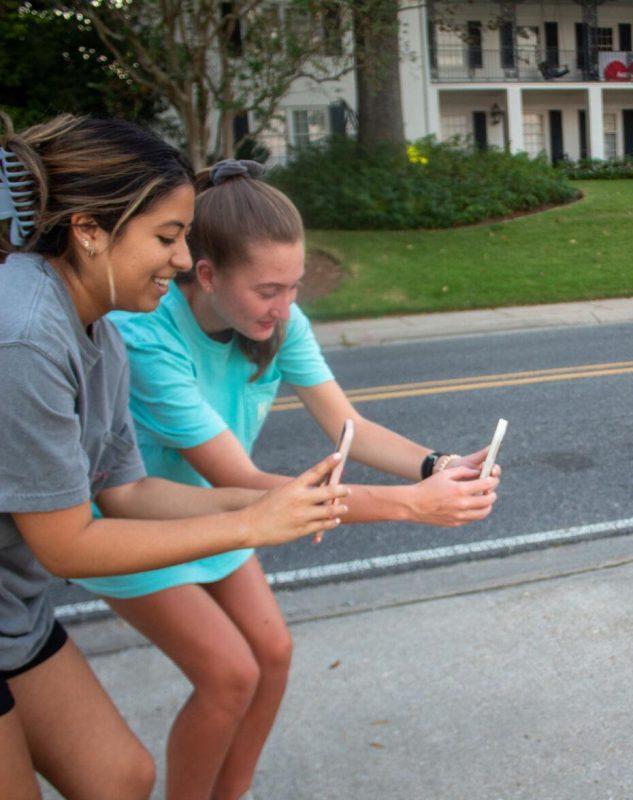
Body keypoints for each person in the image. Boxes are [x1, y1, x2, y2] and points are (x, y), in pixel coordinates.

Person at [73, 160, 501, 800]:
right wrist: (410, 505)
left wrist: (436, 466)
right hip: (138, 521)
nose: (286, 305)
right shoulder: (146, 336)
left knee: (271, 656)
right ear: (208, 275)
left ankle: (232, 792)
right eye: (269, 289)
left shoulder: (277, 322)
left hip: (230, 514)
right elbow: (241, 479)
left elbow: (345, 421)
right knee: (228, 675)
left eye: (296, 286)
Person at [0, 115, 350, 800]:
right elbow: (68, 545)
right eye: (167, 237)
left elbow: (127, 491)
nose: (186, 260)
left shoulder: (100, 331)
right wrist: (251, 524)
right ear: (89, 231)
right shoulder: (25, 338)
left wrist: (264, 504)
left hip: (16, 613)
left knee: (121, 779)